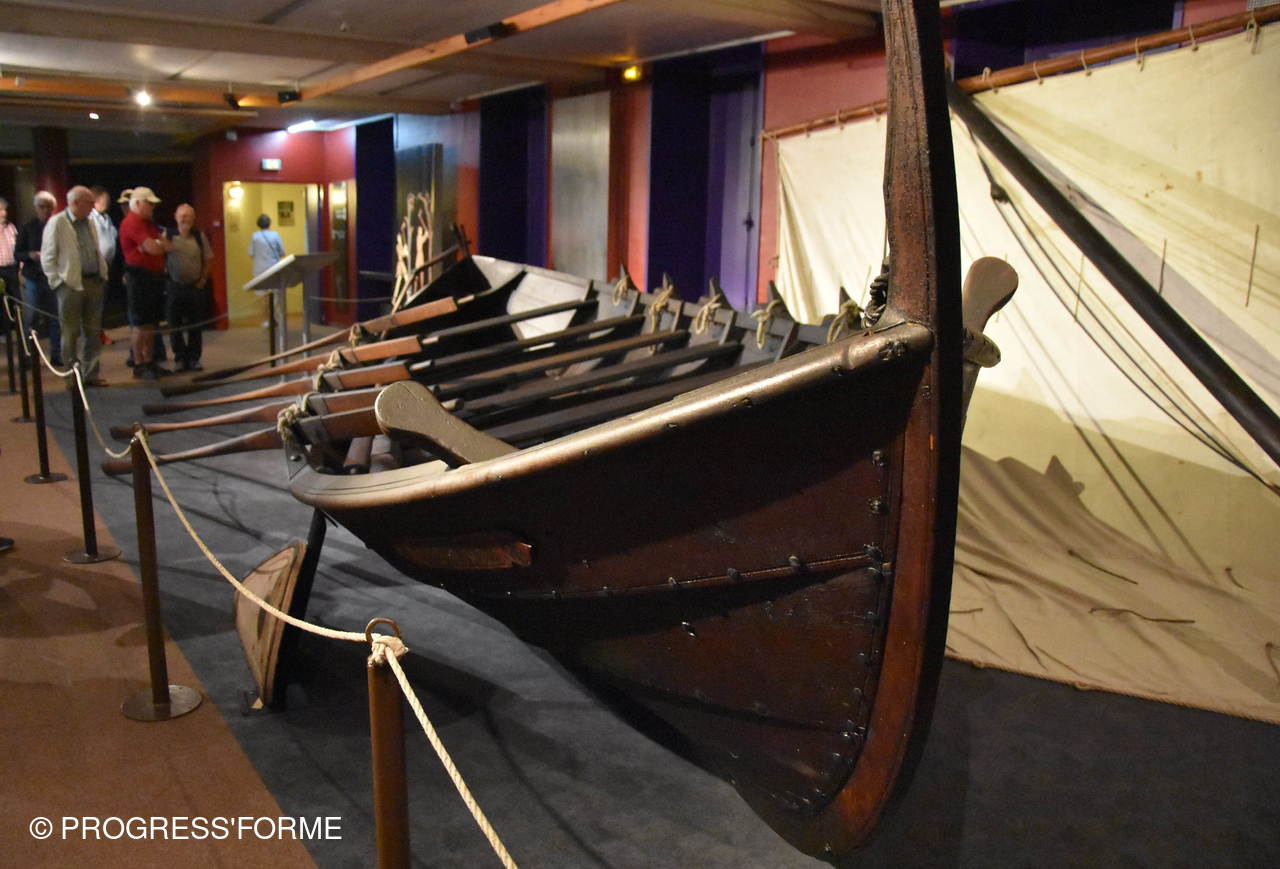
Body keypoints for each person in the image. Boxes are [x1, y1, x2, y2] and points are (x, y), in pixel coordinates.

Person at [41, 186, 109, 385]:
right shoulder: (58, 222)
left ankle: (91, 374)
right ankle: (71, 377)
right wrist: (57, 282)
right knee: (70, 333)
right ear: (75, 203)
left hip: (93, 281)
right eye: (89, 202)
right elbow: (48, 256)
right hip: (70, 285)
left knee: (93, 331)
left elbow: (95, 249)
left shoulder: (90, 222)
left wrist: (102, 273)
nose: (92, 206)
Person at [119, 186, 171, 379]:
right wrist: (154, 245)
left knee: (151, 323)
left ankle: (149, 361)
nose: (152, 207)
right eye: (149, 203)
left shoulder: (149, 223)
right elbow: (154, 247)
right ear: (139, 203)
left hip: (153, 277)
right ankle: (139, 363)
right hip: (139, 278)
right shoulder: (132, 222)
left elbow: (166, 246)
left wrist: (155, 245)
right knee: (141, 323)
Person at [164, 203, 213, 372]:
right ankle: (180, 358)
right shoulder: (168, 235)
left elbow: (208, 258)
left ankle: (194, 358)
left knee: (195, 325)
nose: (186, 219)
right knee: (174, 325)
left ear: (194, 218)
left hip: (194, 286)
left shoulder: (199, 236)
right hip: (174, 286)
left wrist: (203, 279)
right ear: (176, 217)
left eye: (189, 216)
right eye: (183, 215)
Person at [15, 191, 60, 364]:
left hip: (52, 277)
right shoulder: (28, 227)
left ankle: (56, 355)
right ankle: (30, 355)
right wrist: (30, 255)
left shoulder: (57, 226)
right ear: (36, 208)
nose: (45, 210)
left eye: (49, 207)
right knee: (31, 317)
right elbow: (17, 254)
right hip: (33, 277)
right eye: (42, 207)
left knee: (56, 317)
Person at [0, 196, 17, 308]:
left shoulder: (11, 227)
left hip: (11, 270)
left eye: (4, 210)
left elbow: (18, 247)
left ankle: (17, 319)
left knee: (16, 301)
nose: (4, 213)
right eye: (0, 210)